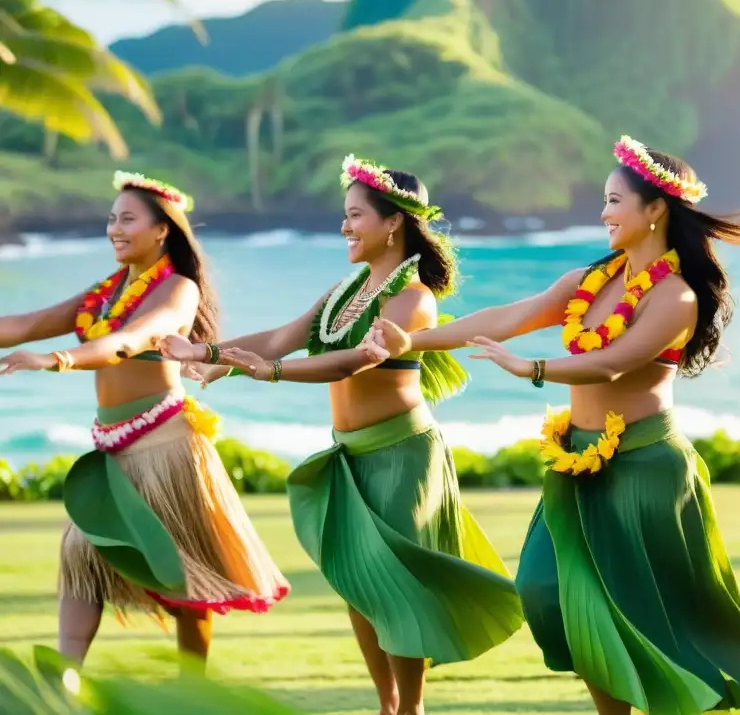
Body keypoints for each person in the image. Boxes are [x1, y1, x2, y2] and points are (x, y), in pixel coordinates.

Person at [367, 136, 740, 715]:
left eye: (614, 201)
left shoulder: (677, 297)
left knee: (645, 614)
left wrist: (534, 368)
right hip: (577, 464)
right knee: (547, 594)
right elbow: (507, 316)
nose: (603, 213)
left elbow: (615, 360)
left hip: (645, 467)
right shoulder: (589, 281)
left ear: (655, 210)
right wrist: (413, 340)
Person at [157, 156, 523, 715]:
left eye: (355, 215)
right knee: (359, 583)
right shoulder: (346, 288)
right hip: (351, 453)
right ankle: (386, 705)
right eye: (344, 216)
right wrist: (206, 353)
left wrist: (269, 372)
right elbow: (284, 336)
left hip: (402, 455)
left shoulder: (412, 298)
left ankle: (410, 708)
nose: (346, 226)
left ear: (393, 222)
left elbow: (351, 362)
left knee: (398, 586)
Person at [0, 172, 289, 669]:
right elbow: (23, 324)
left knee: (181, 571)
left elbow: (129, 341)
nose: (115, 228)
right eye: (111, 218)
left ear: (162, 230)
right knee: (81, 555)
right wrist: (37, 345)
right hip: (113, 449)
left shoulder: (177, 290)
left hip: (165, 446)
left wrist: (57, 360)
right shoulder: (107, 292)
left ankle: (190, 685)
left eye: (127, 219)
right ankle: (66, 681)